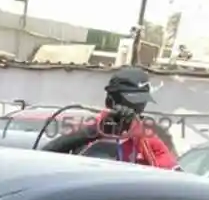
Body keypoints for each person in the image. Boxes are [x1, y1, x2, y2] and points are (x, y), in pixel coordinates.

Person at [42, 66, 179, 169]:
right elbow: (45, 155)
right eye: (133, 101)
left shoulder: (147, 138)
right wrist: (98, 130)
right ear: (111, 101)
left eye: (141, 102)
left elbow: (172, 173)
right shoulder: (90, 130)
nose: (138, 108)